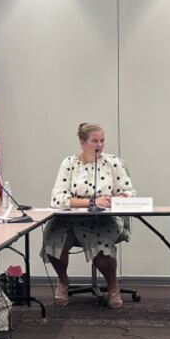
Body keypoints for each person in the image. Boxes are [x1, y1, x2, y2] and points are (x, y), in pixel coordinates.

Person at [41, 122, 136, 308]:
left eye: (102, 141)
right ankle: (63, 281)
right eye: (94, 141)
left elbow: (130, 192)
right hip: (69, 220)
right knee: (53, 240)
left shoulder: (112, 163)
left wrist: (116, 199)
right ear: (82, 142)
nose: (99, 145)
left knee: (102, 248)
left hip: (102, 220)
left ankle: (113, 286)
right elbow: (58, 199)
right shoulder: (69, 164)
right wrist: (90, 202)